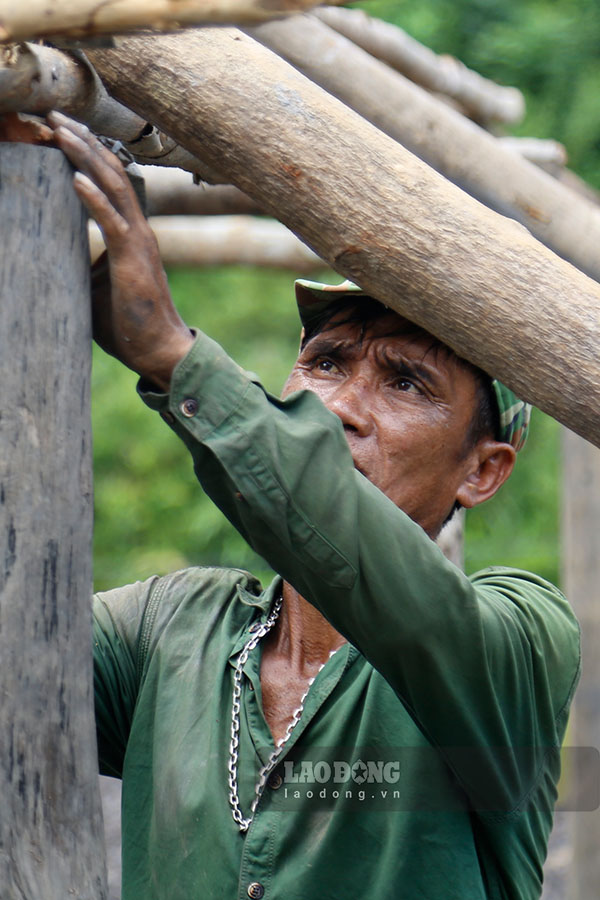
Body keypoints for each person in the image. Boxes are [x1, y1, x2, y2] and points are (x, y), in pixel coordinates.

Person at [49, 111, 580, 900]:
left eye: (406, 382)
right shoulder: (170, 632)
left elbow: (366, 562)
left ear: (483, 471)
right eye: (327, 362)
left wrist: (172, 353)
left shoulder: (520, 645)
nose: (340, 409)